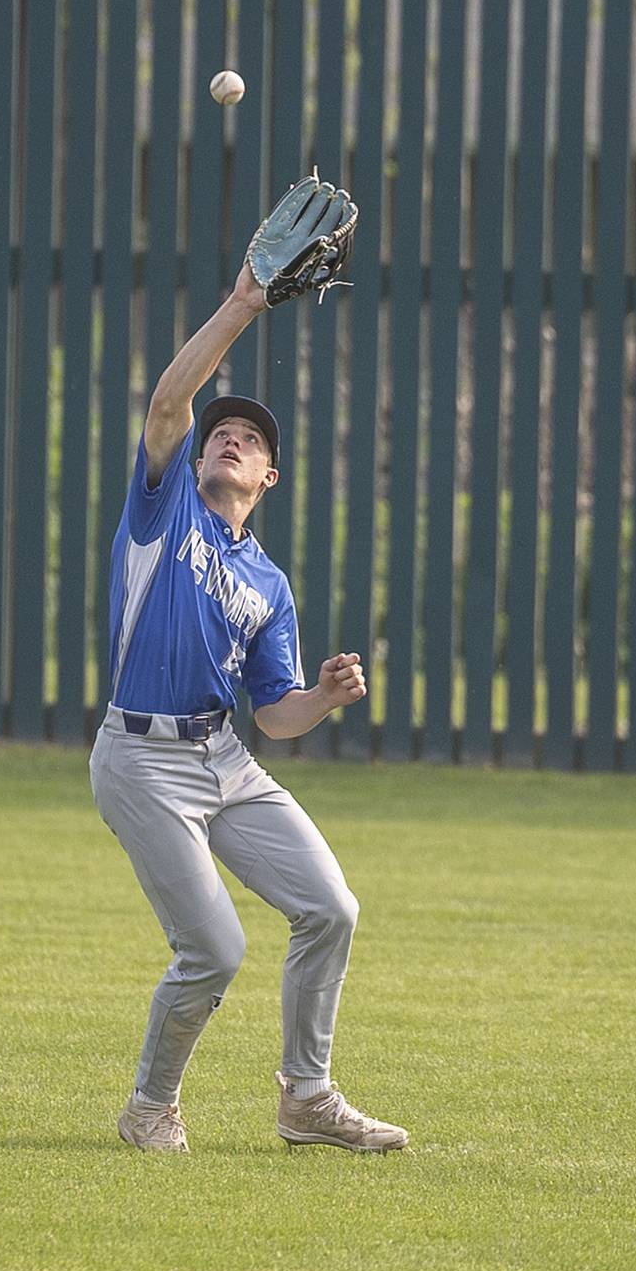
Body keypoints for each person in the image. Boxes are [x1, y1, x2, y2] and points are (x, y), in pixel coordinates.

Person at [88, 258, 408, 1154]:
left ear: (270, 477)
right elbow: (165, 402)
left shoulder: (269, 582)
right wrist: (242, 304)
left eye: (250, 440)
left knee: (331, 909)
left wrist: (324, 698)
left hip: (223, 759)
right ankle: (150, 1108)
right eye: (220, 431)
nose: (231, 438)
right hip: (140, 759)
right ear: (196, 455)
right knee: (216, 951)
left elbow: (274, 716)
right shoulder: (163, 513)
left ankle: (306, 1098)